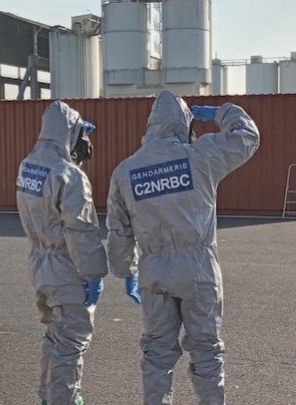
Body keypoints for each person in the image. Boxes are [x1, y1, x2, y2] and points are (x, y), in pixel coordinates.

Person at [106, 90, 260, 405]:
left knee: (157, 356)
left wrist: (126, 271)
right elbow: (247, 136)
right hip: (198, 270)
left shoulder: (125, 171)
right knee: (206, 351)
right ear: (185, 125)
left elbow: (118, 230)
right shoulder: (200, 156)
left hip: (154, 273)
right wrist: (221, 112)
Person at [16, 100, 137, 405]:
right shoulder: (70, 176)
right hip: (66, 270)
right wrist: (93, 275)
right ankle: (64, 399)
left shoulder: (29, 165)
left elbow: (47, 209)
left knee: (55, 338)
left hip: (40, 264)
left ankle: (48, 397)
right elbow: (81, 231)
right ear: (70, 135)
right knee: (71, 342)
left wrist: (74, 139)